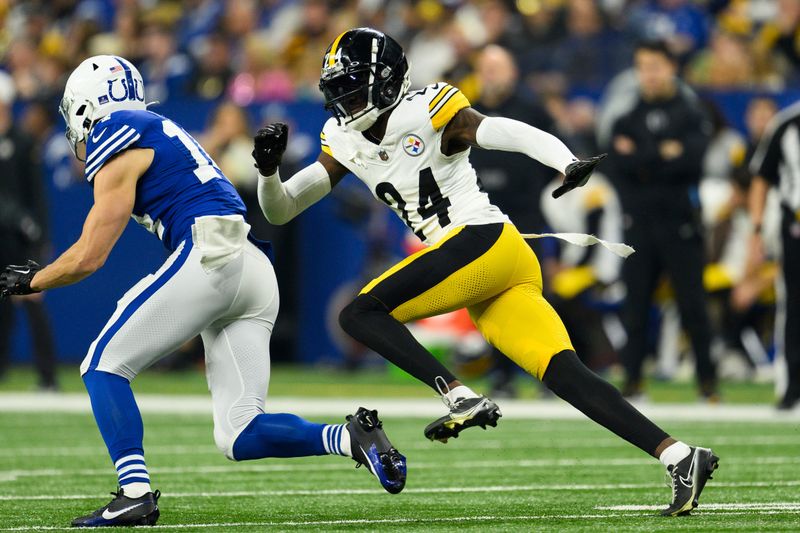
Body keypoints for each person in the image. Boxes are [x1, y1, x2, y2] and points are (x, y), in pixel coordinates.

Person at [253, 27, 719, 516]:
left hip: (483, 241)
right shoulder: (342, 137)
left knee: (359, 313)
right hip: (491, 262)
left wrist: (565, 161)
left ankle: (457, 395)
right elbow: (282, 209)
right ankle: (681, 456)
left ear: (387, 82)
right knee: (565, 374)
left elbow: (505, 131)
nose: (343, 96)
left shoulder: (428, 108)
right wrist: (268, 172)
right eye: (338, 86)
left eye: (353, 84)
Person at [0, 55, 406, 528]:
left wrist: (31, 280)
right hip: (252, 267)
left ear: (88, 106)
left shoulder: (117, 129)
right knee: (239, 434)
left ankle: (134, 494)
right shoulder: (156, 126)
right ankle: (349, 436)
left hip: (211, 251)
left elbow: (91, 254)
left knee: (102, 365)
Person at [607, 40, 718, 401]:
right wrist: (663, 152)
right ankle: (633, 383)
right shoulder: (626, 116)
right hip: (638, 223)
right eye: (642, 67)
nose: (648, 75)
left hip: (680, 222)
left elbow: (692, 161)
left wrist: (641, 156)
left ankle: (708, 385)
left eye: (654, 66)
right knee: (635, 306)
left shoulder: (692, 112)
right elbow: (617, 166)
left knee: (693, 306)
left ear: (671, 67)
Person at [0, 76, 58, 390]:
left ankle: (47, 376)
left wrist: (40, 239)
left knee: (33, 299)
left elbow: (36, 197)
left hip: (21, 238)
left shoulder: (22, 143)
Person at [748, 99, 800, 410]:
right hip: (795, 227)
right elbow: (761, 176)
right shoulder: (787, 123)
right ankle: (791, 384)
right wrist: (756, 228)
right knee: (793, 305)